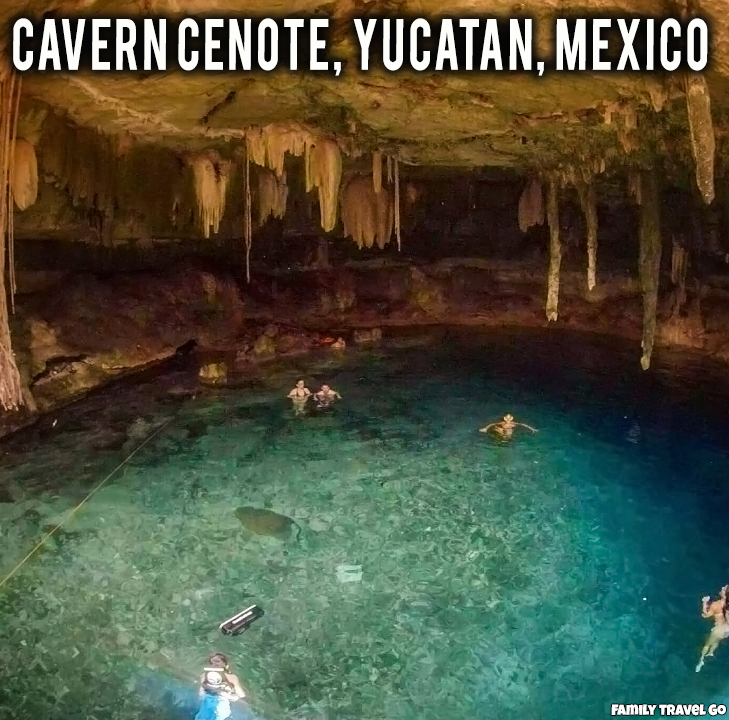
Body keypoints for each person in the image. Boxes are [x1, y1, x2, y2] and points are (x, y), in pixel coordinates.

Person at [194, 652, 247, 720]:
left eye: (217, 661)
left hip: (221, 704)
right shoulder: (204, 676)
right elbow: (201, 693)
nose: (214, 664)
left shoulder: (231, 677)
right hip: (207, 703)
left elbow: (240, 694)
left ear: (224, 664)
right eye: (212, 662)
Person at [696, 586, 729, 672]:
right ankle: (711, 653)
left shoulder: (716, 605)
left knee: (707, 644)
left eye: (723, 589)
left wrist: (704, 602)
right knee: (716, 641)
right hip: (726, 630)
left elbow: (706, 615)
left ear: (725, 595)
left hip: (718, 630)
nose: (722, 588)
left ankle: (701, 660)